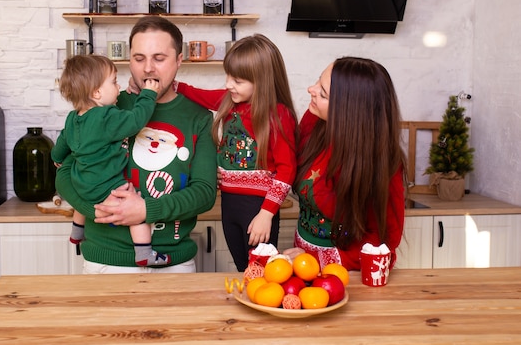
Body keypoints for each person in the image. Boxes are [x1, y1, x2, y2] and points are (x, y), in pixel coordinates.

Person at [55, 15, 217, 273]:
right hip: (105, 263)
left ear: (178, 61)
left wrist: (145, 210)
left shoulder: (199, 117)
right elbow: (65, 172)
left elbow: (204, 194)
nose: (148, 69)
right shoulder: (109, 107)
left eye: (159, 59)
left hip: (174, 264)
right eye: (139, 58)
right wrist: (105, 210)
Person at [170, 34, 298, 271]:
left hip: (257, 207)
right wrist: (173, 85)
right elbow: (201, 95)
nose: (229, 85)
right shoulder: (231, 102)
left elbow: (287, 168)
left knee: (260, 271)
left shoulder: (277, 115)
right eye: (228, 76)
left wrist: (266, 214)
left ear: (262, 81)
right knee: (242, 269)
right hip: (229, 204)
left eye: (237, 80)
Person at [52, 54, 171, 266]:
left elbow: (61, 143)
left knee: (84, 198)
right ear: (97, 93)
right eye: (114, 82)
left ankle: (76, 233)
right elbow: (136, 119)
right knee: (136, 207)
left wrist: (57, 158)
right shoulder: (106, 116)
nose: (118, 87)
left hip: (81, 182)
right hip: (107, 185)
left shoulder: (73, 118)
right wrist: (148, 94)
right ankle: (144, 253)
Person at [293, 56, 407, 271]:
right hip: (301, 262)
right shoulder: (313, 122)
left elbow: (384, 245)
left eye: (323, 93)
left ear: (349, 110)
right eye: (318, 81)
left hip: (345, 275)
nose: (311, 89)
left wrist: (319, 261)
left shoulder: (383, 163)